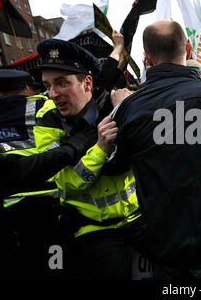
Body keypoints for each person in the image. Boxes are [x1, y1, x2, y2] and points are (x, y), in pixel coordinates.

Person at [109, 20, 201, 279]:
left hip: (170, 251)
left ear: (147, 58)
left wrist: (120, 109)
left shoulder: (131, 109)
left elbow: (114, 166)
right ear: (190, 48)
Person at [35, 38, 142, 279]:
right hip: (93, 229)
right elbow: (68, 181)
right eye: (47, 85)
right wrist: (100, 149)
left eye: (61, 83)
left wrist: (131, 110)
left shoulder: (115, 101)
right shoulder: (47, 121)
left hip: (138, 217)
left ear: (87, 83)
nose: (52, 94)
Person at [0, 68, 97, 279]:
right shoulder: (45, 106)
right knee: (58, 268)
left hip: (10, 215)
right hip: (50, 212)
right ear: (26, 88)